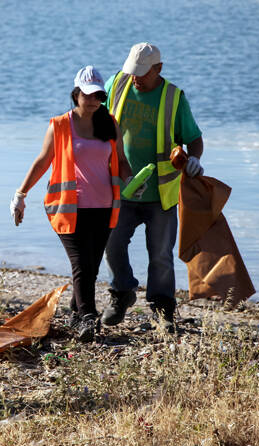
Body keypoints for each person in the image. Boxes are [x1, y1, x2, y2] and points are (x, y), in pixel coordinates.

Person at [10, 65, 133, 343]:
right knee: (82, 265)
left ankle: (77, 309)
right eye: (88, 95)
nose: (93, 101)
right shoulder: (59, 125)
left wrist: (135, 181)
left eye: (98, 96)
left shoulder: (110, 123)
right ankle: (88, 320)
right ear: (76, 94)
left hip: (104, 207)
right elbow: (42, 161)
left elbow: (122, 163)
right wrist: (20, 195)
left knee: (92, 265)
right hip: (67, 207)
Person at [102, 43, 205, 333]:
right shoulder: (117, 84)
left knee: (160, 254)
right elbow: (96, 118)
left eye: (143, 73)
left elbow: (194, 138)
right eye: (133, 71)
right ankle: (121, 293)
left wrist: (194, 159)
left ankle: (162, 309)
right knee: (112, 244)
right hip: (121, 189)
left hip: (159, 195)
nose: (136, 77)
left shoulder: (174, 98)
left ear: (159, 69)